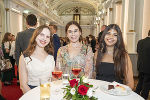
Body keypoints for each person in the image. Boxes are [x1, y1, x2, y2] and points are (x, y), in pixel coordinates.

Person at [94, 24, 134, 89]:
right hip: (99, 92)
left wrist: (121, 93)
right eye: (108, 33)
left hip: (116, 94)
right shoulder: (97, 54)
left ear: (118, 38)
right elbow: (94, 76)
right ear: (104, 36)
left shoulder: (124, 56)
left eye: (115, 35)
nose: (111, 37)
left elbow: (130, 83)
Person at [19, 25, 55, 94]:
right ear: (35, 36)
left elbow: (53, 77)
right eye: (42, 35)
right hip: (31, 92)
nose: (44, 39)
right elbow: (23, 86)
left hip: (49, 91)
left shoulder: (50, 56)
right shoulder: (24, 57)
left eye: (47, 36)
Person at [15, 14, 37, 84]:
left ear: (26, 23)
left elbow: (17, 52)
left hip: (25, 63)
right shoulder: (40, 33)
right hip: (39, 62)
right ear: (36, 23)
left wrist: (19, 65)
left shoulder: (20, 34)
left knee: (26, 84)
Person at [135, 30, 150, 100]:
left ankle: (135, 95)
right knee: (146, 84)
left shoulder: (140, 42)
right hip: (148, 68)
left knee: (140, 82)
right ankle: (143, 98)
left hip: (140, 66)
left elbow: (138, 52)